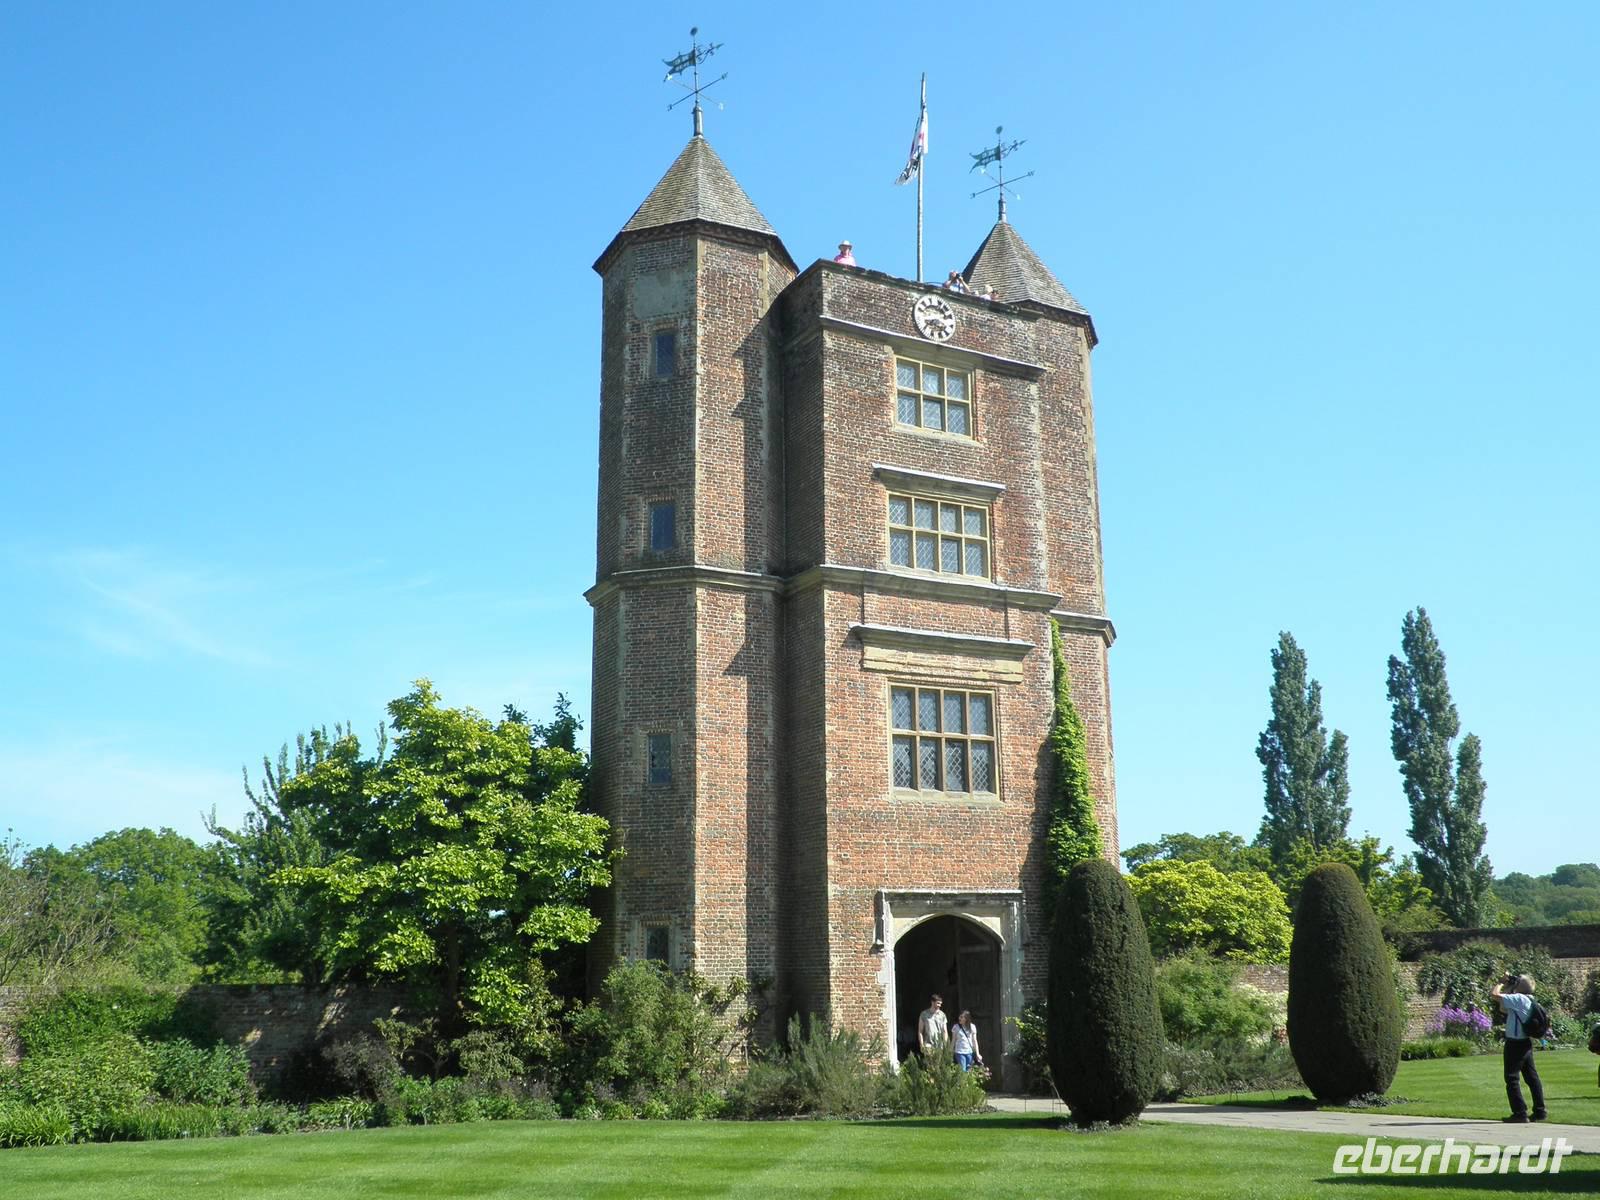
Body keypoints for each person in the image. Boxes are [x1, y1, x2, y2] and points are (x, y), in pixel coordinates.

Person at [1492, 972, 1547, 1123]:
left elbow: (1495, 995)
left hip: (1515, 1044)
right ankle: (1540, 1111)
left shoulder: (1518, 999)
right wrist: (1511, 985)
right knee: (1531, 1077)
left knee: (1511, 1078)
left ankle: (1519, 1113)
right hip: (1525, 1043)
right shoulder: (1528, 999)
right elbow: (1503, 1008)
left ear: (1520, 986)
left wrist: (1501, 982)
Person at [917, 993, 948, 1058]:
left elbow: (944, 1031)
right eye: (938, 1003)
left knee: (938, 1066)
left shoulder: (942, 1015)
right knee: (930, 1065)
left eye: (940, 1004)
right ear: (932, 1002)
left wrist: (945, 1045)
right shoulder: (924, 1014)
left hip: (939, 1045)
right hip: (928, 1044)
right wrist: (921, 1044)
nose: (939, 1005)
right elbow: (920, 1031)